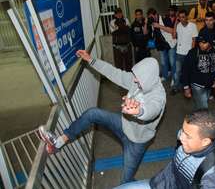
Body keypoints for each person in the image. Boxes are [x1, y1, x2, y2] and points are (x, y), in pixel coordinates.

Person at [38, 51, 166, 185]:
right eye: (135, 76)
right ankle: (58, 142)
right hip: (123, 125)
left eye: (138, 78)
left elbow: (153, 110)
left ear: (148, 78)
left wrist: (139, 111)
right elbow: (114, 72)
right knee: (92, 113)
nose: (134, 79)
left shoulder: (159, 96)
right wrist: (91, 60)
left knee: (125, 181)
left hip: (137, 142)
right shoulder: (137, 81)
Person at [113, 109, 215, 189]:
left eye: (188, 136)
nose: (181, 137)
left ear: (205, 141)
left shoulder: (213, 171)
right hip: (160, 182)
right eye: (183, 131)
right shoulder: (184, 136)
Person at [181, 35, 215, 110]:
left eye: (204, 43)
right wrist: (186, 87)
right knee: (203, 107)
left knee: (200, 104)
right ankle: (201, 119)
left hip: (210, 84)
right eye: (199, 42)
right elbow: (185, 70)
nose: (201, 45)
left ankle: (196, 117)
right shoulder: (193, 53)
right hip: (197, 85)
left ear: (210, 42)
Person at [171, 9, 198, 95]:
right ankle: (176, 87)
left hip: (189, 53)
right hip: (179, 53)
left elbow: (194, 40)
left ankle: (189, 88)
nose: (182, 19)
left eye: (183, 17)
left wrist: (192, 52)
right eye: (180, 17)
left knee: (189, 71)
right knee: (178, 71)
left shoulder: (193, 26)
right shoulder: (178, 25)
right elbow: (174, 36)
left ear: (186, 17)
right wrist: (175, 22)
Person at [150, 7, 177, 83]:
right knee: (163, 62)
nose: (151, 19)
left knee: (172, 62)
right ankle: (165, 76)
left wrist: (159, 26)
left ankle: (174, 79)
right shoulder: (152, 22)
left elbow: (172, 31)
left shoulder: (165, 18)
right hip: (161, 44)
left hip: (170, 43)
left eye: (152, 17)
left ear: (156, 14)